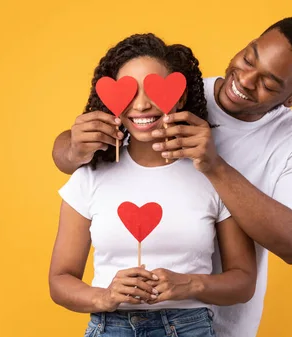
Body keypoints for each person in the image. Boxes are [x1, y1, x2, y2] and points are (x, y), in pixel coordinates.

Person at [52, 17, 292, 337]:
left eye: (268, 84)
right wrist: (74, 148)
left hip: (218, 321)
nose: (244, 79)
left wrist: (215, 166)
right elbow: (71, 157)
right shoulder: (175, 87)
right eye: (248, 58)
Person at [48, 33, 257, 337]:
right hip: (110, 327)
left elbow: (243, 282)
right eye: (129, 93)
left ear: (180, 98)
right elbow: (60, 280)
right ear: (111, 101)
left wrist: (189, 284)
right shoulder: (90, 175)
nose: (142, 105)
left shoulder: (214, 175)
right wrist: (104, 296)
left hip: (190, 328)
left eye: (154, 91)